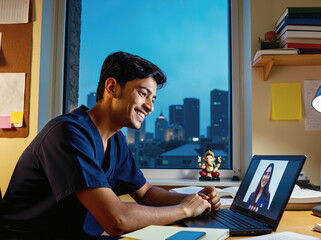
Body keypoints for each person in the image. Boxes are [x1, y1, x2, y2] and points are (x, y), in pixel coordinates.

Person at [0, 51, 221, 239]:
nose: (150, 107)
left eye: (153, 99)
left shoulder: (116, 140)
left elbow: (146, 194)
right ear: (112, 87)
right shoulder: (67, 133)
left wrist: (197, 199)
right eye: (143, 93)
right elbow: (117, 220)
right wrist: (184, 209)